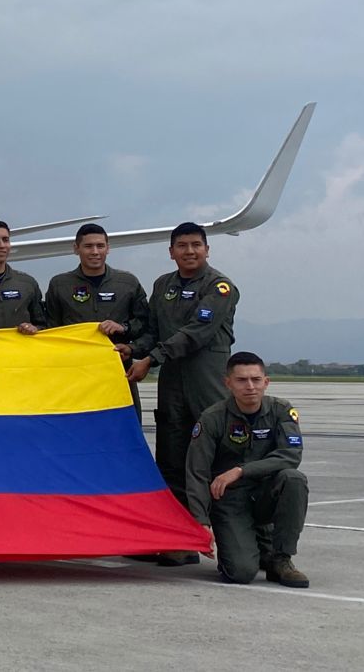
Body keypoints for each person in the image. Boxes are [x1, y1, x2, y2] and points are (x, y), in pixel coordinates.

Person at [128, 222, 241, 564]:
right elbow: (152, 330)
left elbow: (197, 332)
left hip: (205, 381)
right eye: (182, 246)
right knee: (171, 460)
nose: (189, 251)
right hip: (172, 385)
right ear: (171, 251)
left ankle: (222, 536)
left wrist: (153, 357)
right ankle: (177, 540)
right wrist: (131, 349)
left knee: (210, 458)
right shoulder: (162, 285)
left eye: (196, 245)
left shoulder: (220, 287)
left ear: (207, 249)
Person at [185, 352, 309, 588]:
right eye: (241, 380)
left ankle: (281, 559)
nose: (250, 386)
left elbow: (290, 455)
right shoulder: (213, 418)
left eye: (255, 379)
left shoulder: (281, 411)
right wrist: (201, 522)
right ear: (228, 383)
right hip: (230, 502)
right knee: (241, 573)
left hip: (265, 494)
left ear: (266, 382)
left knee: (293, 479)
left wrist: (241, 470)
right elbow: (197, 472)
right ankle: (246, 547)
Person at [44, 223, 151, 412]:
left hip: (118, 372)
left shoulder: (127, 283)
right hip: (75, 374)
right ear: (76, 249)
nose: (95, 251)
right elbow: (50, 329)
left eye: (100, 246)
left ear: (108, 248)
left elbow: (146, 324)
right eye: (88, 246)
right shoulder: (59, 285)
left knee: (124, 429)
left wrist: (125, 331)